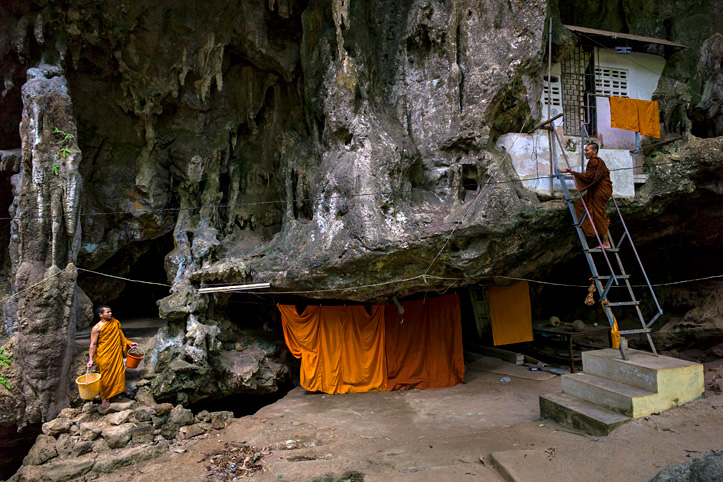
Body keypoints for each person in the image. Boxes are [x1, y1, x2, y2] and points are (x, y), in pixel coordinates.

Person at [560, 143, 613, 249]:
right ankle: (591, 230)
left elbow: (588, 178)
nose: (585, 152)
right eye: (584, 150)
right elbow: (591, 177)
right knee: (580, 204)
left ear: (595, 151)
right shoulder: (597, 161)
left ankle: (606, 243)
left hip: (600, 192)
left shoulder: (595, 161)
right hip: (599, 190)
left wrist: (573, 172)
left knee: (599, 214)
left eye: (587, 150)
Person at [87, 305, 137, 408]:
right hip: (104, 355)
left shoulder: (114, 323)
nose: (110, 314)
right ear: (100, 315)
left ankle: (113, 395)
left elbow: (120, 336)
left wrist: (128, 343)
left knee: (118, 373)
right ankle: (104, 399)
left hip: (115, 354)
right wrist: (90, 359)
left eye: (110, 312)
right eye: (107, 312)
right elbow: (93, 344)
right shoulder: (97, 328)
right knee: (106, 377)